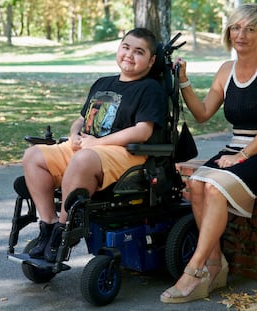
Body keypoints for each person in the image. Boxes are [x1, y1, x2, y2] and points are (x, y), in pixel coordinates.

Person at [160, 3, 257, 304]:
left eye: (250, 28)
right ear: (228, 32)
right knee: (196, 183)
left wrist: (242, 157)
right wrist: (183, 80)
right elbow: (203, 113)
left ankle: (194, 271)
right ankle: (215, 264)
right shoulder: (226, 70)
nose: (242, 34)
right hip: (238, 149)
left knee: (214, 185)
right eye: (236, 27)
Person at [22, 28, 166, 263]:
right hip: (87, 147)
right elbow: (82, 117)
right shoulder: (103, 83)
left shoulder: (150, 89)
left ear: (151, 61)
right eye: (126, 47)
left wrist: (97, 143)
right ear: (119, 49)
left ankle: (63, 230)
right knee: (32, 156)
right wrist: (74, 133)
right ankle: (48, 225)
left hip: (125, 152)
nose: (129, 55)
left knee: (84, 158)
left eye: (139, 52)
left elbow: (143, 131)